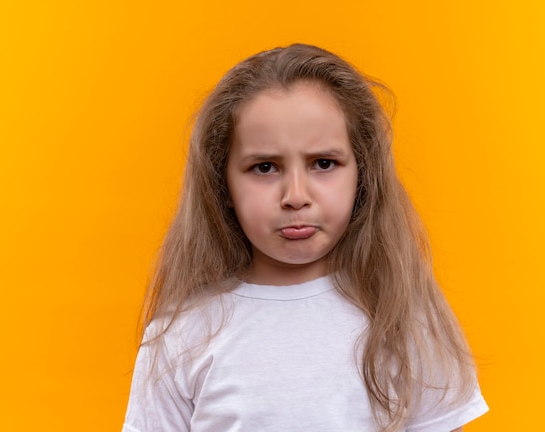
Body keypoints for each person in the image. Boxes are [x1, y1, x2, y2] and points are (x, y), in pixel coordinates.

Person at [122, 43, 489, 432]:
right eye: (264, 167)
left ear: (362, 175)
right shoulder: (181, 335)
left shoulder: (402, 317)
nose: (296, 196)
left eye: (323, 164)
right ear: (222, 185)